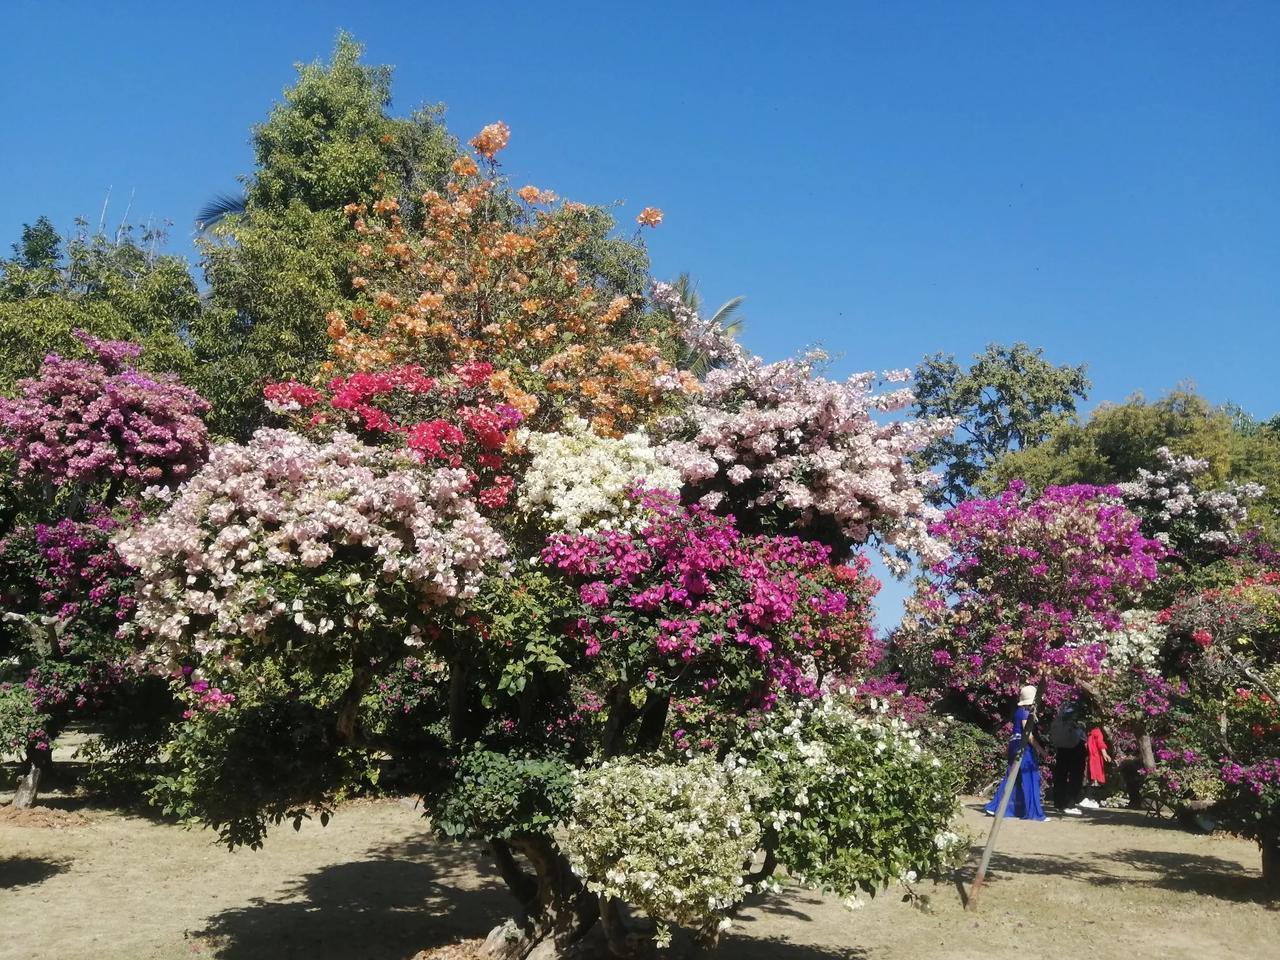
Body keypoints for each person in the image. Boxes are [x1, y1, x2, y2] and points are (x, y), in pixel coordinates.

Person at [984, 685, 1049, 821]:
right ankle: (1033, 812)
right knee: (1029, 776)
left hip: (1014, 745)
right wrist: (1040, 750)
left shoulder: (1018, 712)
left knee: (1012, 778)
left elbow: (1015, 732)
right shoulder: (1026, 713)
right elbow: (1027, 734)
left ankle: (996, 807)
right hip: (1022, 747)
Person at [1049, 698, 1087, 815]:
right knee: (1076, 775)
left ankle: (1059, 802)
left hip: (1062, 745)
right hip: (1075, 744)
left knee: (1060, 774)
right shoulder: (1081, 706)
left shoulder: (1063, 707)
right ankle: (1070, 803)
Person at [1079, 724, 1111, 809]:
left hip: (1090, 758)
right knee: (1094, 778)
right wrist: (1105, 754)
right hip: (1095, 759)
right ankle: (1089, 798)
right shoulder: (1097, 732)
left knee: (1090, 778)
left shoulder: (1088, 732)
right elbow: (1100, 743)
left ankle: (1089, 799)